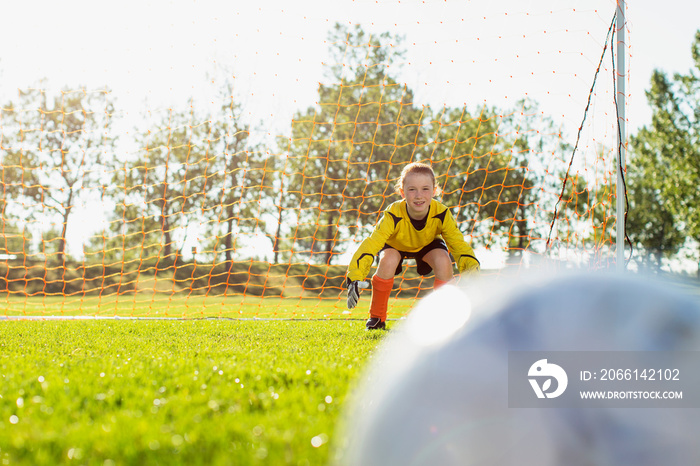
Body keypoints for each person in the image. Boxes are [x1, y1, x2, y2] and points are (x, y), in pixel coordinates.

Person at [346, 162, 480, 330]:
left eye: (425, 189)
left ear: (434, 191)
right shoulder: (393, 213)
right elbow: (372, 243)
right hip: (396, 245)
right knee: (386, 260)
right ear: (402, 192)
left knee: (443, 260)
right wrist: (355, 275)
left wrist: (472, 275)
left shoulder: (441, 213)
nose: (419, 195)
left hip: (427, 244)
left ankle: (444, 317)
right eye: (412, 189)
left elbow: (458, 244)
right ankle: (377, 317)